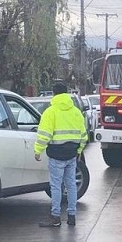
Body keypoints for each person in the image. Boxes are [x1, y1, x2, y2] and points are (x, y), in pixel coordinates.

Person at [34, 82, 88, 227]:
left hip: (56, 154)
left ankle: (55, 216)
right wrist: (79, 150)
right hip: (71, 154)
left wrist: (38, 150)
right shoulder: (76, 112)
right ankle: (71, 216)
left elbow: (44, 134)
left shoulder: (50, 112)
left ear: (54, 93)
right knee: (71, 185)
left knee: (56, 186)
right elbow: (83, 135)